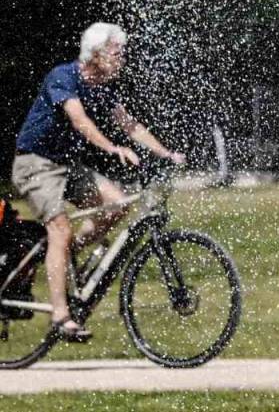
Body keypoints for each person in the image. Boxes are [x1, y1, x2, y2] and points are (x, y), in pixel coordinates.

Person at [11, 22, 186, 342]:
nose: (122, 59)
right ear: (95, 55)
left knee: (116, 203)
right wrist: (112, 148)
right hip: (35, 163)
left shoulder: (103, 87)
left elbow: (130, 125)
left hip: (67, 165)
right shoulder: (63, 77)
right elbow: (80, 120)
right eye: (116, 53)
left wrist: (167, 153)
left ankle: (65, 253)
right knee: (60, 228)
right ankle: (61, 317)